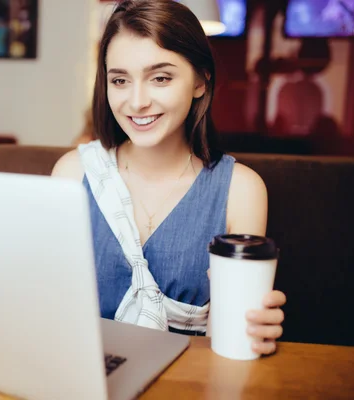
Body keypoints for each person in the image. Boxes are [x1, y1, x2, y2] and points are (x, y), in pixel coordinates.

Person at [52, 0, 286, 355]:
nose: (136, 101)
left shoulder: (241, 190)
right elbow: (49, 306)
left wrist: (252, 331)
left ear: (200, 81)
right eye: (120, 80)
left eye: (160, 78)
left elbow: (230, 335)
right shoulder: (74, 173)